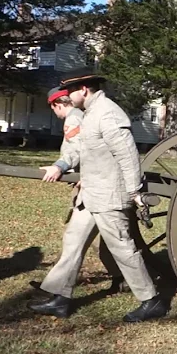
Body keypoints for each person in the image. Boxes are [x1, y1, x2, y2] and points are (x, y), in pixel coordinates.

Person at [28, 70, 167, 322]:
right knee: (74, 240)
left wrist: (135, 191)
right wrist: (60, 165)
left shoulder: (108, 113)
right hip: (91, 193)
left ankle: (151, 300)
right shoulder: (90, 114)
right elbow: (79, 148)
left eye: (71, 92)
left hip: (110, 195)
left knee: (122, 247)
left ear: (84, 89)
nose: (68, 98)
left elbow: (127, 155)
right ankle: (60, 298)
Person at [32, 87, 140, 295]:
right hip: (96, 185)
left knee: (104, 243)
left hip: (97, 188)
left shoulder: (74, 118)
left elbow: (77, 150)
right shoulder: (86, 115)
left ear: (58, 104)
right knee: (92, 241)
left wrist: (60, 166)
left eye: (53, 108)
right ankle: (58, 292)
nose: (55, 113)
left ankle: (146, 294)